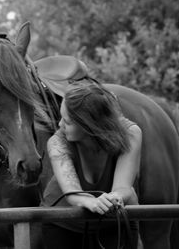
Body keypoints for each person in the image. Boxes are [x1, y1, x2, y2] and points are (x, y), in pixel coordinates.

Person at [42, 79, 141, 249]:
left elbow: (123, 187)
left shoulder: (131, 133)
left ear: (89, 125)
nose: (59, 125)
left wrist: (113, 198)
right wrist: (92, 202)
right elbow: (72, 193)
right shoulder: (56, 143)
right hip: (64, 223)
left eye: (67, 122)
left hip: (113, 223)